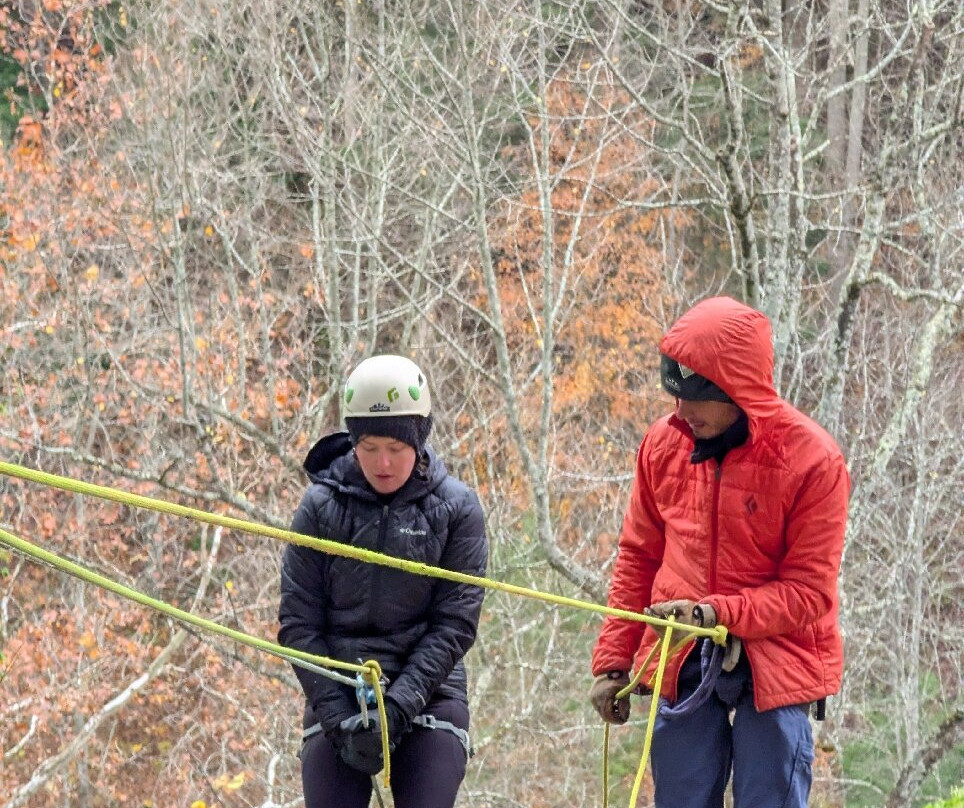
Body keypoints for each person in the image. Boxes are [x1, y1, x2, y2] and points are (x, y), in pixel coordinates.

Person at [589, 297, 850, 808]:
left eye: (697, 398)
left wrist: (714, 613)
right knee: (681, 794)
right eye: (676, 395)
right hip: (683, 650)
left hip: (779, 659)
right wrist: (614, 660)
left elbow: (808, 594)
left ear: (740, 391)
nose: (681, 411)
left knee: (767, 793)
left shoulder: (814, 462)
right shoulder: (663, 445)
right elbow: (639, 556)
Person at [278, 354, 488, 808]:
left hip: (430, 690)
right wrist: (336, 716)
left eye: (396, 447)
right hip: (338, 683)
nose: (384, 463)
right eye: (369, 447)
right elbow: (298, 624)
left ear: (419, 439)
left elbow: (455, 625)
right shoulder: (320, 507)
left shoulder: (457, 510)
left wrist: (395, 710)